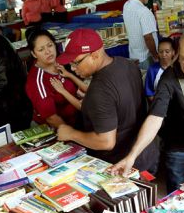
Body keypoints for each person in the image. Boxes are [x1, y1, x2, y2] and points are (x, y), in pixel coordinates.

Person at [109, 29, 184, 193]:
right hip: (178, 152)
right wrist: (132, 156)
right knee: (179, 199)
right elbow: (155, 118)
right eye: (183, 59)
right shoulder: (169, 79)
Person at [55, 28, 158, 172]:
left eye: (76, 62)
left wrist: (71, 134)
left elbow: (106, 142)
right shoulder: (126, 64)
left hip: (120, 165)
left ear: (95, 55)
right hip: (144, 153)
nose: (72, 69)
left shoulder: (100, 90)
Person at [25, 29, 86, 128]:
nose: (48, 52)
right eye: (41, 50)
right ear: (34, 54)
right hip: (55, 129)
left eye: (50, 45)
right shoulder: (36, 81)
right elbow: (51, 118)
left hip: (77, 119)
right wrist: (73, 135)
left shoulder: (61, 62)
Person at [123, 0, 159, 69]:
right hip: (146, 58)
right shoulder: (144, 11)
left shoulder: (126, 5)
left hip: (133, 56)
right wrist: (155, 55)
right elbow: (148, 38)